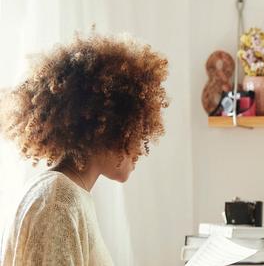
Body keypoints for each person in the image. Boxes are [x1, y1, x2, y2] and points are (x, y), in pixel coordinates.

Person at [0, 34, 169, 266]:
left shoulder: (69, 194)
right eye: (138, 129)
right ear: (110, 128)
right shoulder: (58, 200)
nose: (142, 145)